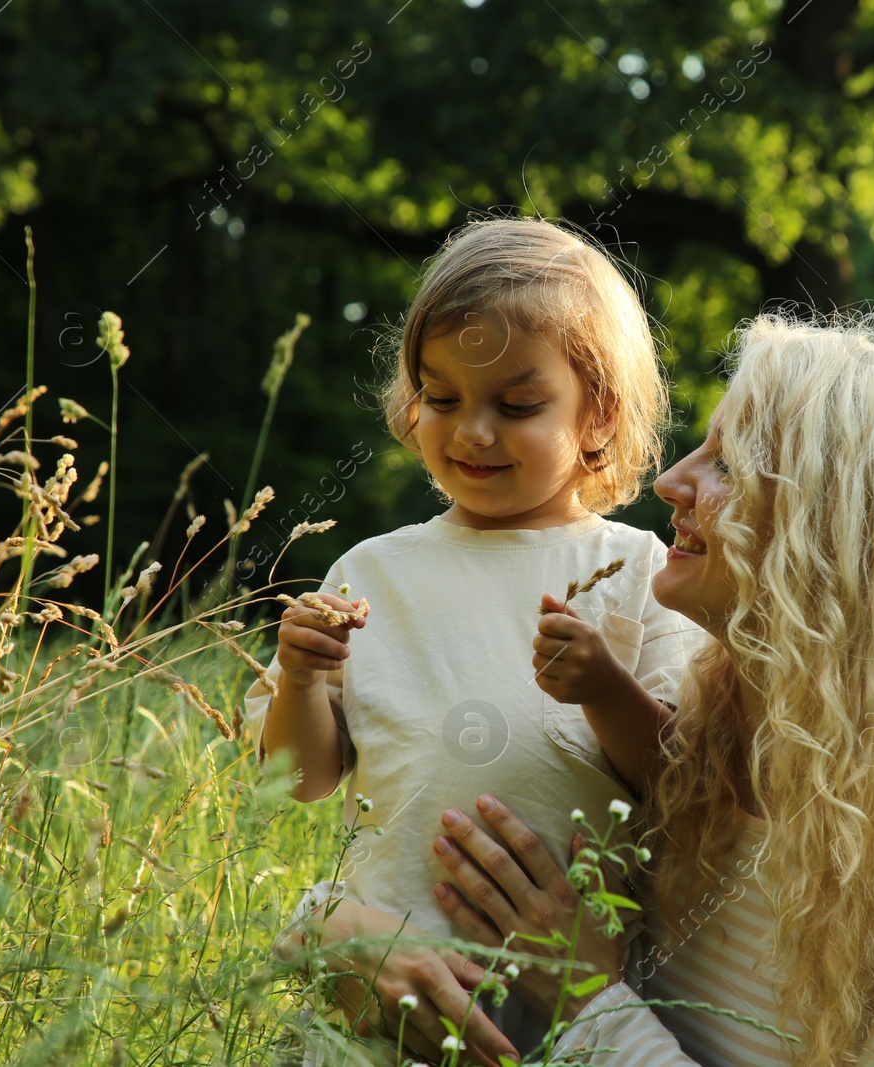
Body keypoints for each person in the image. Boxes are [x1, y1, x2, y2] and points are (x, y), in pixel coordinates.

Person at [422, 313, 874, 1066]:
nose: (671, 481)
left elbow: (589, 994)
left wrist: (589, 1000)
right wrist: (335, 931)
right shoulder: (691, 745)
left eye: (728, 466)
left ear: (836, 538)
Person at [242, 217, 706, 1064]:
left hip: (561, 995)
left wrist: (605, 688)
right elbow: (300, 781)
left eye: (517, 405)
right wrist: (301, 682)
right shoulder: (373, 572)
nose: (472, 432)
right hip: (385, 987)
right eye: (441, 398)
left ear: (597, 410)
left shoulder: (637, 570)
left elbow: (678, 788)